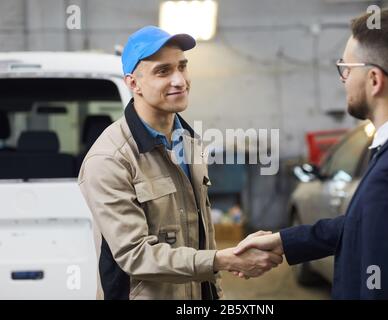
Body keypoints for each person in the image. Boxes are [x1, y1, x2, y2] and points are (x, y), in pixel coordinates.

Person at [234, 9, 388, 299]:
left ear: (374, 80)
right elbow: (375, 223)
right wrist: (286, 241)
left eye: (346, 69)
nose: (343, 79)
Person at [78, 26, 282, 300]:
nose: (180, 80)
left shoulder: (189, 142)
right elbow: (135, 255)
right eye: (163, 71)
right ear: (133, 83)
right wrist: (221, 260)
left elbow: (199, 236)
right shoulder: (110, 159)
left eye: (182, 67)